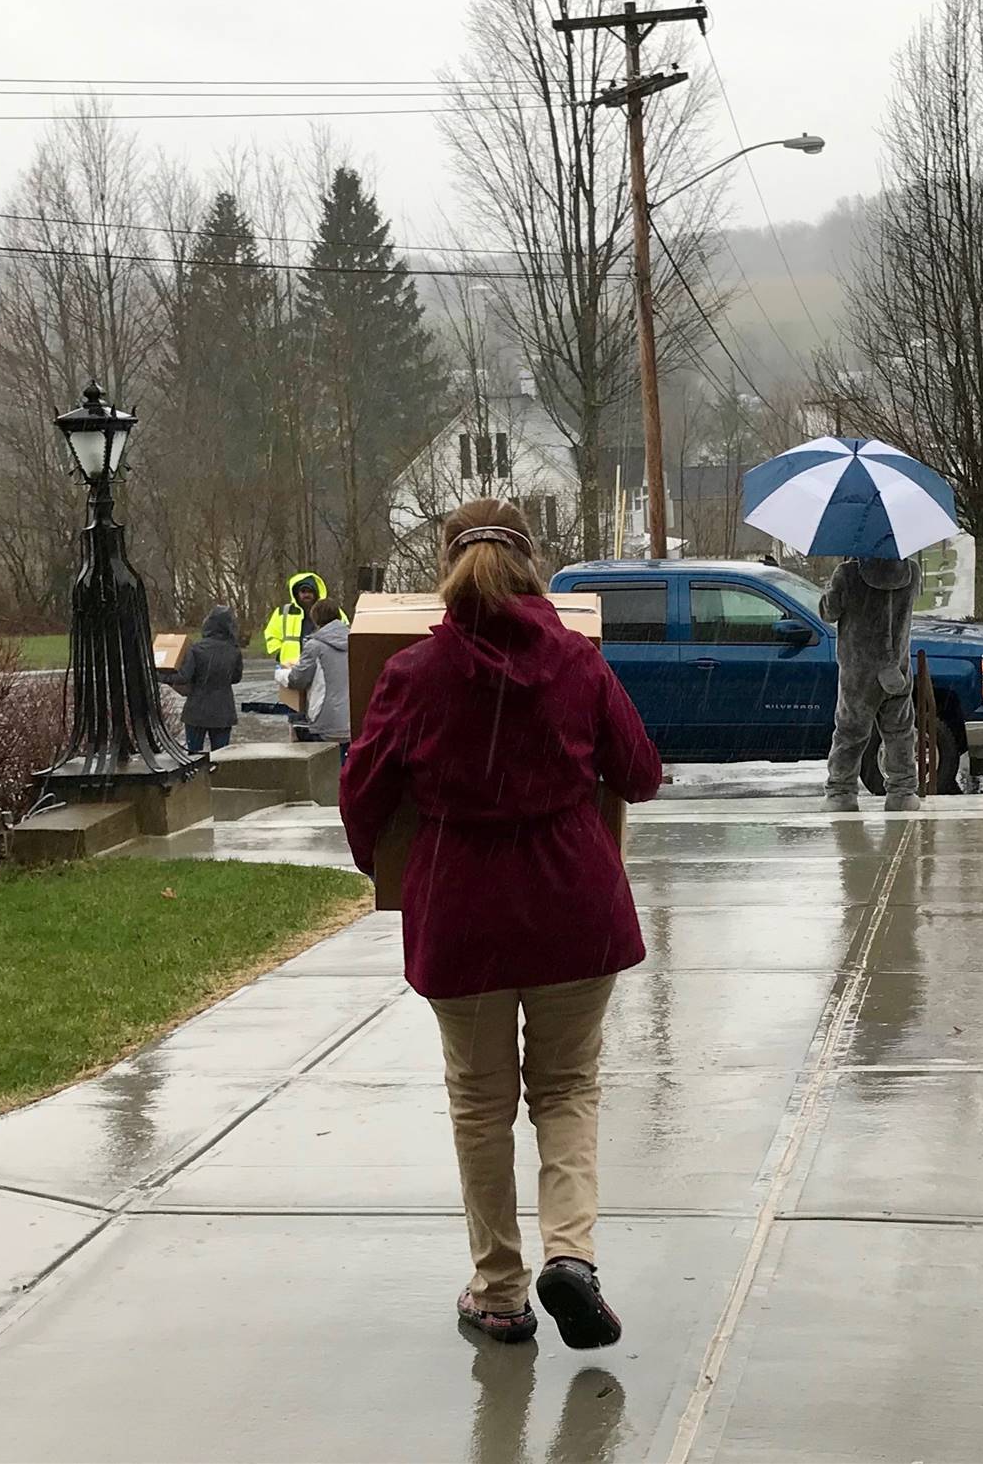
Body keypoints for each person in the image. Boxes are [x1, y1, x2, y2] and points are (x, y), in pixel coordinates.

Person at [339, 498, 662, 1350]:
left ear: (447, 568)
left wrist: (386, 861)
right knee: (567, 1089)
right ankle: (573, 1257)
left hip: (464, 917)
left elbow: (362, 796)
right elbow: (641, 771)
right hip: (574, 912)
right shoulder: (578, 664)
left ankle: (499, 1293)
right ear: (532, 565)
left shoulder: (413, 674)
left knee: (481, 1108)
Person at [819, 555, 922, 814]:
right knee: (900, 733)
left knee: (850, 733)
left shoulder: (847, 574)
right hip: (896, 669)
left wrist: (831, 587)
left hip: (859, 671)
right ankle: (902, 793)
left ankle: (842, 792)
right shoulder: (911, 571)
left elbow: (828, 613)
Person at [160, 603, 244, 755]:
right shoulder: (234, 650)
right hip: (223, 712)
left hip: (196, 711)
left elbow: (183, 676)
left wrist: (160, 676)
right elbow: (236, 678)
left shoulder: (197, 648)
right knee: (221, 758)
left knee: (193, 758)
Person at [285, 598, 351, 757]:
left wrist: (283, 673)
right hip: (351, 718)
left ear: (316, 618)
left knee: (324, 768)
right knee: (344, 764)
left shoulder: (315, 646)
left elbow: (297, 679)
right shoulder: (354, 641)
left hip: (324, 717)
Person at [263, 570, 340, 669]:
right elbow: (271, 634)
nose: (306, 595)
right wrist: (279, 653)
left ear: (316, 592)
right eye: (303, 591)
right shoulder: (283, 612)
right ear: (296, 593)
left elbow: (343, 632)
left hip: (322, 667)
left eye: (310, 591)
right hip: (290, 667)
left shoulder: (329, 609)